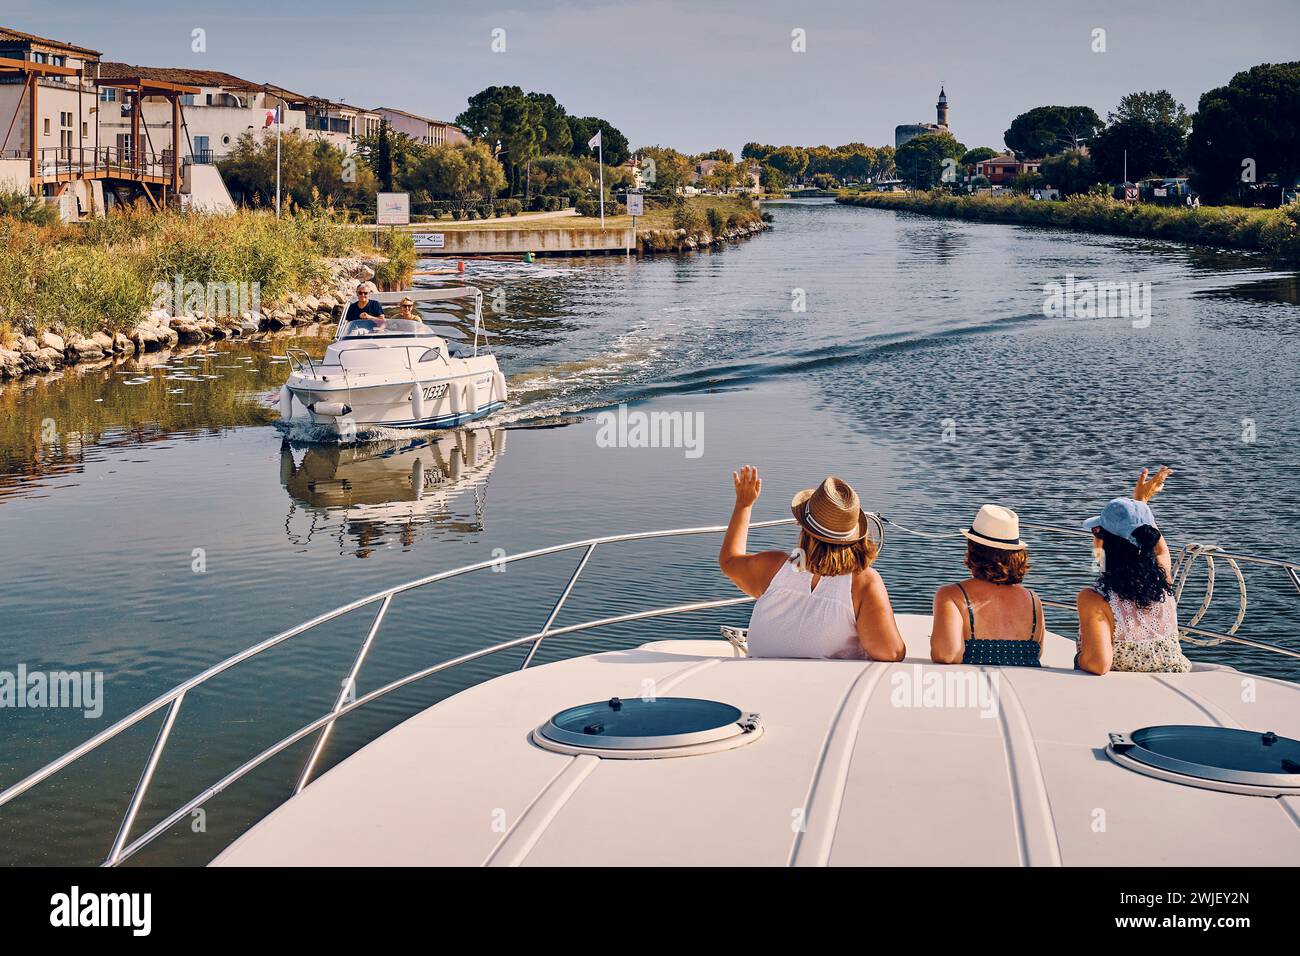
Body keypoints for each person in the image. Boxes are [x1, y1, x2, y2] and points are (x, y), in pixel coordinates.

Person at [718, 466, 905, 661]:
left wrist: (743, 505)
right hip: (823, 689)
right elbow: (890, 652)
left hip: (757, 686)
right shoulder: (862, 583)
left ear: (804, 528)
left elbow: (728, 561)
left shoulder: (773, 568)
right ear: (854, 536)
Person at [1075, 468, 1191, 674]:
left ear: (1105, 544)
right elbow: (1160, 549)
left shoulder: (1095, 599)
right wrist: (1141, 503)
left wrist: (1079, 657)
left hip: (1127, 695)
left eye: (1096, 531)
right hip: (1175, 680)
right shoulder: (1163, 582)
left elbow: (1099, 664)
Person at [930, 505, 1044, 666]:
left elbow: (947, 655)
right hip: (1025, 686)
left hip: (977, 686)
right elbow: (1037, 653)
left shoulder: (952, 595)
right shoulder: (1033, 599)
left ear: (972, 548)